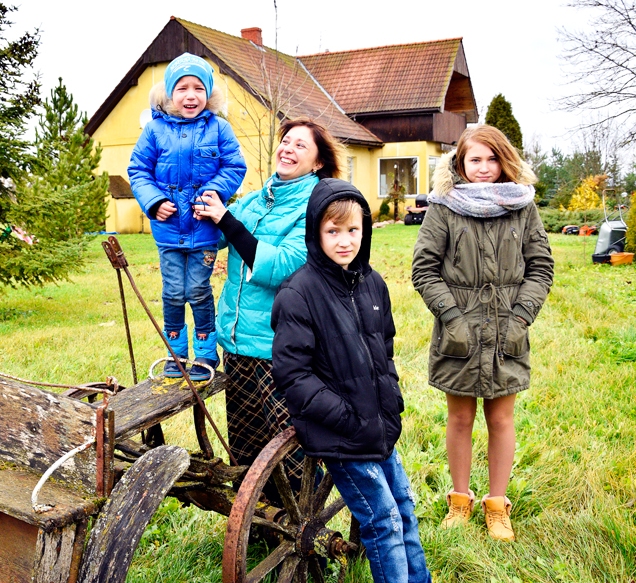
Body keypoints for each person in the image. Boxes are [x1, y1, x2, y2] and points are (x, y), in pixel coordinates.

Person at [271, 179, 431, 583]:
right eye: (333, 231)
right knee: (383, 522)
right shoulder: (298, 294)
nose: (345, 241)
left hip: (378, 427)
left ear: (366, 229)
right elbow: (293, 374)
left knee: (404, 511)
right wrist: (346, 417)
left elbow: (385, 347)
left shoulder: (373, 284)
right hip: (341, 435)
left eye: (353, 230)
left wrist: (389, 399)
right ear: (315, 232)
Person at [411, 125, 554, 541]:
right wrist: (452, 317)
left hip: (508, 329)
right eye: (475, 159)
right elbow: (424, 269)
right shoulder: (444, 207)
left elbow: (540, 268)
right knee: (459, 417)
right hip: (458, 332)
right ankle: (460, 499)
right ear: (460, 163)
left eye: (492, 159)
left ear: (504, 161)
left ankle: (497, 505)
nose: (484, 167)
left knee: (501, 418)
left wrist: (519, 319)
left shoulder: (523, 207)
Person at [194, 117, 342, 484]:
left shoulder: (316, 206)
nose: (288, 150)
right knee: (246, 446)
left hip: (280, 347)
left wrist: (225, 219)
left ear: (318, 162)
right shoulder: (259, 198)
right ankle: (258, 528)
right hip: (238, 340)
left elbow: (281, 267)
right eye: (286, 141)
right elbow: (220, 238)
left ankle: (298, 526)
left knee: (289, 448)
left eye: (300, 146)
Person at [128, 52, 246, 380]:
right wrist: (153, 202)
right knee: (172, 292)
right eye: (182, 88)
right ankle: (176, 352)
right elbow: (138, 170)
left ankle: (206, 353)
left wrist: (212, 192)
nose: (190, 95)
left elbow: (235, 166)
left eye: (197, 88)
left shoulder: (219, 128)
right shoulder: (154, 131)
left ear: (207, 94)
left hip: (204, 229)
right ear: (169, 94)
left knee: (197, 289)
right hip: (168, 231)